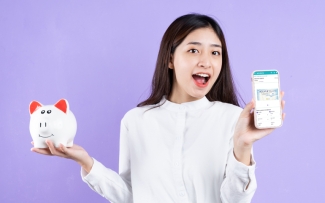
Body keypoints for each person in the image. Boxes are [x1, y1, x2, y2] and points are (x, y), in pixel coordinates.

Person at [31, 13, 285, 203]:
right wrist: (86, 162)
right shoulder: (136, 121)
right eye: (194, 50)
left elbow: (234, 200)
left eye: (215, 53)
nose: (206, 62)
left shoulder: (231, 118)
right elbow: (131, 196)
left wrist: (243, 146)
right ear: (170, 59)